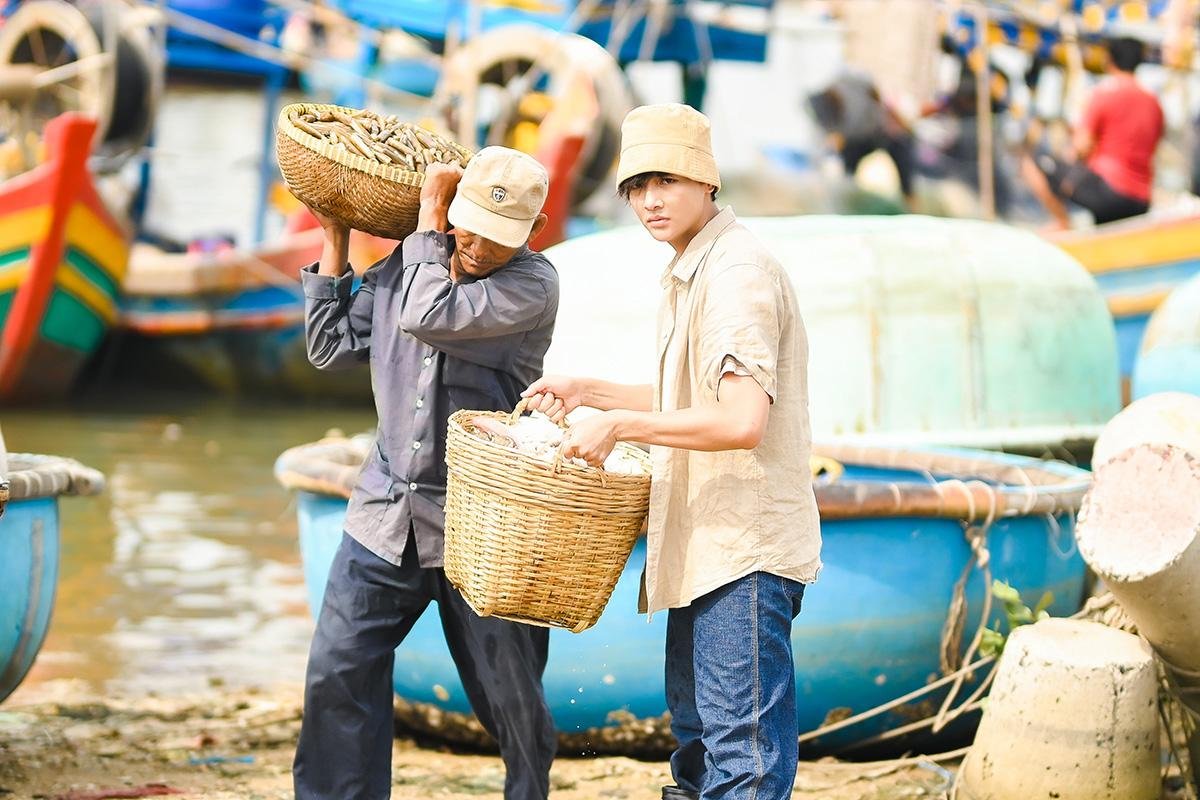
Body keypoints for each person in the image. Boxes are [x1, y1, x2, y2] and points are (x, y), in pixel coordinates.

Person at [523, 103, 822, 800]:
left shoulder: (736, 274)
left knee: (740, 761)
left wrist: (619, 430)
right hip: (704, 546)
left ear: (706, 182)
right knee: (697, 752)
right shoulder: (695, 266)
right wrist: (591, 392)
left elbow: (741, 420)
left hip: (741, 555)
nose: (650, 200)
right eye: (636, 185)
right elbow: (686, 393)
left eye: (668, 180)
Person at [293, 146, 560, 800]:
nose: (474, 244)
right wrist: (336, 236)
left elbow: (425, 314)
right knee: (338, 672)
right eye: (466, 226)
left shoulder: (532, 286)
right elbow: (331, 345)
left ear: (533, 232)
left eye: (496, 238)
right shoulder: (413, 263)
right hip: (384, 515)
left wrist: (429, 215)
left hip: (483, 526)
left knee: (511, 700)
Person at [1021, 36, 1163, 229]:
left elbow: (1080, 147)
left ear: (1109, 61)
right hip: (1141, 200)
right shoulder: (1154, 104)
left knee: (1032, 163)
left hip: (1108, 194)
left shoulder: (1104, 95)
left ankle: (1062, 223)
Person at [808, 69, 917, 208]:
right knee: (848, 169)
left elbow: (872, 88)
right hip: (859, 140)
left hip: (881, 126)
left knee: (903, 153)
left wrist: (894, 117)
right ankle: (851, 202)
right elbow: (820, 154)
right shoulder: (826, 123)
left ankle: (911, 203)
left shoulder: (845, 80)